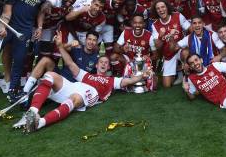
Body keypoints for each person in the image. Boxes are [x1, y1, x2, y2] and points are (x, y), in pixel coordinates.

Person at [21, 33, 152, 133]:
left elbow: (128, 80)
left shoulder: (112, 80)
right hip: (74, 86)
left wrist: (141, 76)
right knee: (50, 75)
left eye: (106, 63)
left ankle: (40, 123)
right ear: (96, 64)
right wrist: (60, 46)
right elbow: (70, 63)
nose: (103, 64)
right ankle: (32, 112)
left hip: (90, 92)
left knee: (75, 98)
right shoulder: (86, 75)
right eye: (101, 62)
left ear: (108, 68)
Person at [150, 0, 190, 87]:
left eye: (163, 7)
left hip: (180, 49)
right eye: (158, 9)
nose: (161, 10)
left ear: (167, 8)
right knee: (167, 85)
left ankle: (188, 76)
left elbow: (190, 29)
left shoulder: (178, 16)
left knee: (186, 52)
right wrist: (161, 36)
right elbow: (158, 47)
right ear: (156, 11)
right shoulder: (155, 25)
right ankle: (178, 71)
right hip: (168, 54)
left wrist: (189, 43)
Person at [114, 14, 158, 91]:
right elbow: (115, 48)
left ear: (144, 24)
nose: (137, 25)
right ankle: (122, 75)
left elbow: (156, 55)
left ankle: (149, 78)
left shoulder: (149, 35)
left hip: (142, 63)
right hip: (128, 60)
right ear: (131, 23)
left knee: (154, 86)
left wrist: (148, 58)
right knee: (114, 57)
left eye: (140, 23)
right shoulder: (126, 32)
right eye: (135, 23)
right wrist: (123, 49)